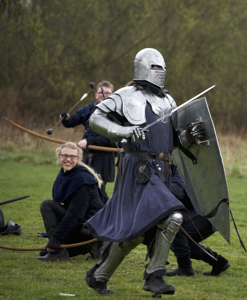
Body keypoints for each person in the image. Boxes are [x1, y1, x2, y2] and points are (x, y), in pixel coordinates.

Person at [83, 48, 205, 295]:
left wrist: (189, 137)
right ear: (143, 68)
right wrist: (124, 132)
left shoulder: (168, 101)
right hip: (137, 168)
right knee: (174, 217)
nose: (159, 73)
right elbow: (96, 119)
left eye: (162, 69)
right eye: (155, 68)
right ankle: (154, 276)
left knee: (139, 230)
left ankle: (99, 275)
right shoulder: (126, 95)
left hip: (163, 169)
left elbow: (172, 140)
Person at [37, 142, 104, 262]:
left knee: (47, 205)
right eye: (65, 155)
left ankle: (60, 251)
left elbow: (75, 215)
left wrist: (56, 239)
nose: (68, 159)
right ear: (59, 156)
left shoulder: (82, 179)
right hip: (80, 224)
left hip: (89, 228)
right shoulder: (65, 173)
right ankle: (86, 247)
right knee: (43, 251)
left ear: (78, 159)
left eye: (72, 156)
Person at [165, 168, 231, 277]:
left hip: (210, 212)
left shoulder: (182, 165)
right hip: (201, 211)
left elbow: (180, 191)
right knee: (179, 243)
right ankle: (218, 262)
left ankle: (185, 269)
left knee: (175, 230)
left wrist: (157, 185)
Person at [61, 81, 118, 203]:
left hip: (104, 158)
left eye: (108, 93)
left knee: (98, 191)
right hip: (87, 157)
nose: (104, 95)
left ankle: (108, 217)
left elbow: (112, 139)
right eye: (101, 92)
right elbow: (73, 119)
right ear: (96, 95)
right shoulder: (90, 108)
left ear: (113, 95)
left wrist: (89, 141)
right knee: (87, 190)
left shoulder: (116, 113)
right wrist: (66, 118)